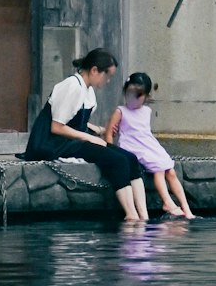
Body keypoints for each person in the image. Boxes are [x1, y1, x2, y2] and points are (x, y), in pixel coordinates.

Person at [23, 49, 147, 222]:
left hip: (73, 140)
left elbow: (73, 118)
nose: (108, 80)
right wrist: (89, 137)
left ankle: (143, 215)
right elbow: (57, 126)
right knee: (117, 160)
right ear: (95, 70)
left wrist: (95, 129)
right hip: (54, 143)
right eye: (107, 75)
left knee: (130, 158)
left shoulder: (88, 90)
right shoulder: (71, 86)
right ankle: (131, 215)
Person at [106, 72, 194, 220]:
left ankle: (186, 208)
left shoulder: (147, 111)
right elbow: (109, 133)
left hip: (148, 144)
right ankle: (167, 202)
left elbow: (144, 131)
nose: (133, 99)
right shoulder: (120, 111)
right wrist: (110, 150)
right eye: (130, 94)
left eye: (138, 96)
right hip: (133, 146)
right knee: (159, 169)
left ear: (146, 96)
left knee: (170, 171)